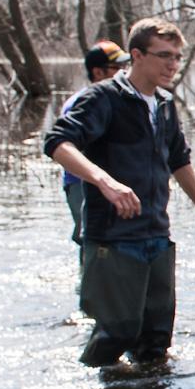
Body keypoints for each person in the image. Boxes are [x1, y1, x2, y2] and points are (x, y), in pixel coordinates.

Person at [45, 18, 195, 367]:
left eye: (177, 57)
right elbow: (57, 142)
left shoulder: (166, 105)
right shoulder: (103, 98)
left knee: (156, 341)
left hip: (156, 234)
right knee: (115, 334)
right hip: (113, 236)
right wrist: (104, 182)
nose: (172, 65)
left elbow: (179, 160)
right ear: (137, 55)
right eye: (164, 56)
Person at [61, 40, 132, 248]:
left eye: (124, 67)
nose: (123, 73)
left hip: (112, 182)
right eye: (116, 68)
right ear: (98, 72)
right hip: (80, 183)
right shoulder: (80, 103)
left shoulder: (120, 99)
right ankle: (87, 278)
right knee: (92, 241)